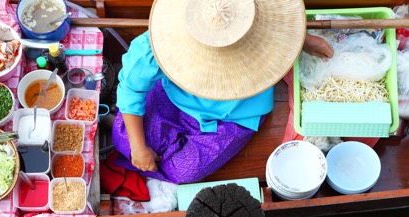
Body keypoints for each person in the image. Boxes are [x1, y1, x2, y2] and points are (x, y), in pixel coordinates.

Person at [111, 0, 334, 184]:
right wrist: (139, 148)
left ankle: (167, 150)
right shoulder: (159, 42)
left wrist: (303, 40)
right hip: (175, 99)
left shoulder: (257, 19)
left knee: (182, 172)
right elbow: (131, 90)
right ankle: (161, 148)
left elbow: (278, 24)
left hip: (235, 114)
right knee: (124, 138)